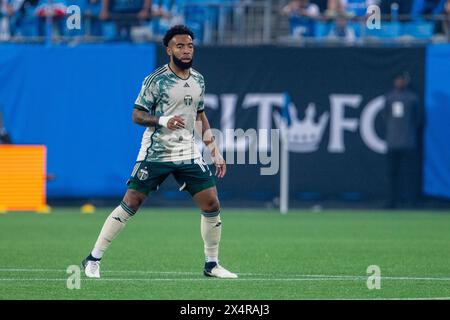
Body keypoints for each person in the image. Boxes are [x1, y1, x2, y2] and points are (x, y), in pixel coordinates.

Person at [81, 25, 237, 279]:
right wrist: (163, 120)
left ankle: (211, 265)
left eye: (189, 46)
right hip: (156, 152)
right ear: (169, 50)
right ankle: (93, 259)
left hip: (187, 152)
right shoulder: (156, 80)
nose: (186, 51)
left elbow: (199, 116)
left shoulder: (198, 80)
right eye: (179, 46)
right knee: (132, 201)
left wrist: (214, 150)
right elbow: (136, 115)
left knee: (212, 203)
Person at [383, 72, 424, 209]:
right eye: (397, 80)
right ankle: (391, 202)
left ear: (406, 81)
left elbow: (418, 119)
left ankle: (411, 201)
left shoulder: (413, 99)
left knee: (410, 174)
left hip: (408, 142)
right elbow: (385, 117)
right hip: (392, 142)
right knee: (391, 174)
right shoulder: (389, 97)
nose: (399, 83)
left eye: (402, 80)